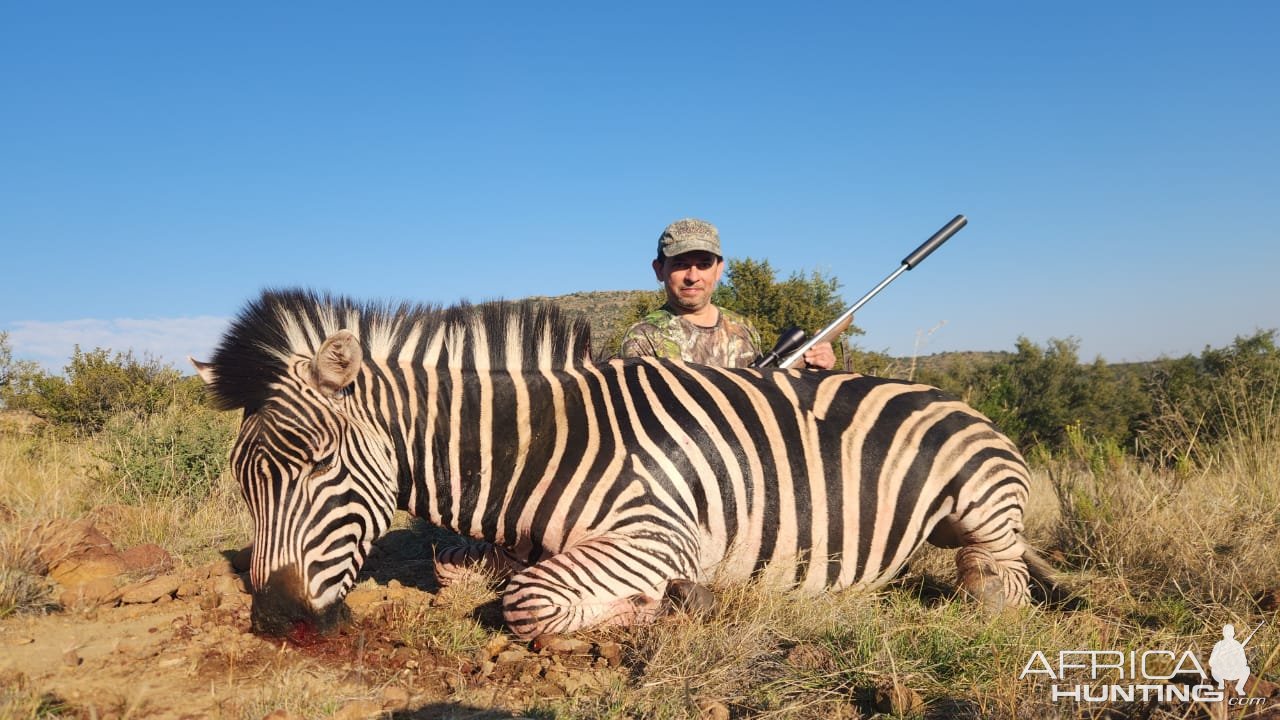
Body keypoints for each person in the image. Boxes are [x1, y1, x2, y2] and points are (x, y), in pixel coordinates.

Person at [619, 218, 837, 369]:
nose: (693, 276)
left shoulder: (742, 328)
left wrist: (813, 368)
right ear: (659, 269)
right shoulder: (643, 337)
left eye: (704, 265)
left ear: (719, 270)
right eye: (681, 264)